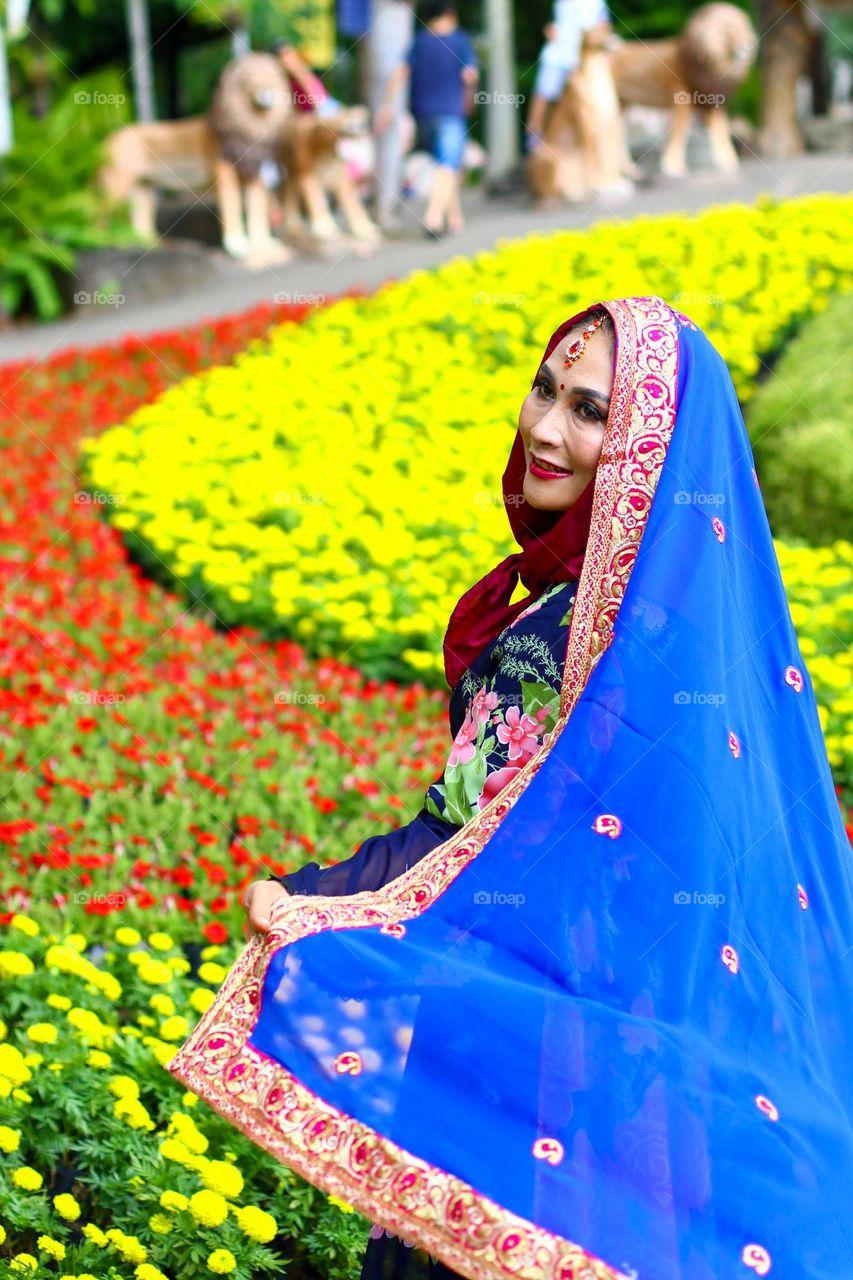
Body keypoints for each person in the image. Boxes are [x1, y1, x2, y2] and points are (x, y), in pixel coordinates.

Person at [172, 296, 853, 1280]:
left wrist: (312, 898)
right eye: (544, 389)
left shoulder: (564, 639)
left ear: (646, 449)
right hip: (640, 1064)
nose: (542, 428)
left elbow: (465, 831)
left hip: (529, 1044)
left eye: (589, 412)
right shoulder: (691, 626)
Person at [374, 0, 480, 238]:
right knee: (448, 165)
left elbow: (400, 73)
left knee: (445, 163)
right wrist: (470, 99)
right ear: (450, 14)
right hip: (450, 111)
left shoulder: (419, 42)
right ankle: (433, 218)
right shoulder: (460, 40)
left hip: (423, 114)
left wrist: (387, 106)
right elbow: (470, 76)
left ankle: (453, 217)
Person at [525, 0, 613, 152]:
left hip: (583, 60)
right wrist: (551, 32)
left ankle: (585, 138)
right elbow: (551, 27)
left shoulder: (597, 4)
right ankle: (533, 136)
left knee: (582, 99)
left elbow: (604, 28)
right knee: (544, 95)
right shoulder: (562, 3)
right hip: (558, 55)